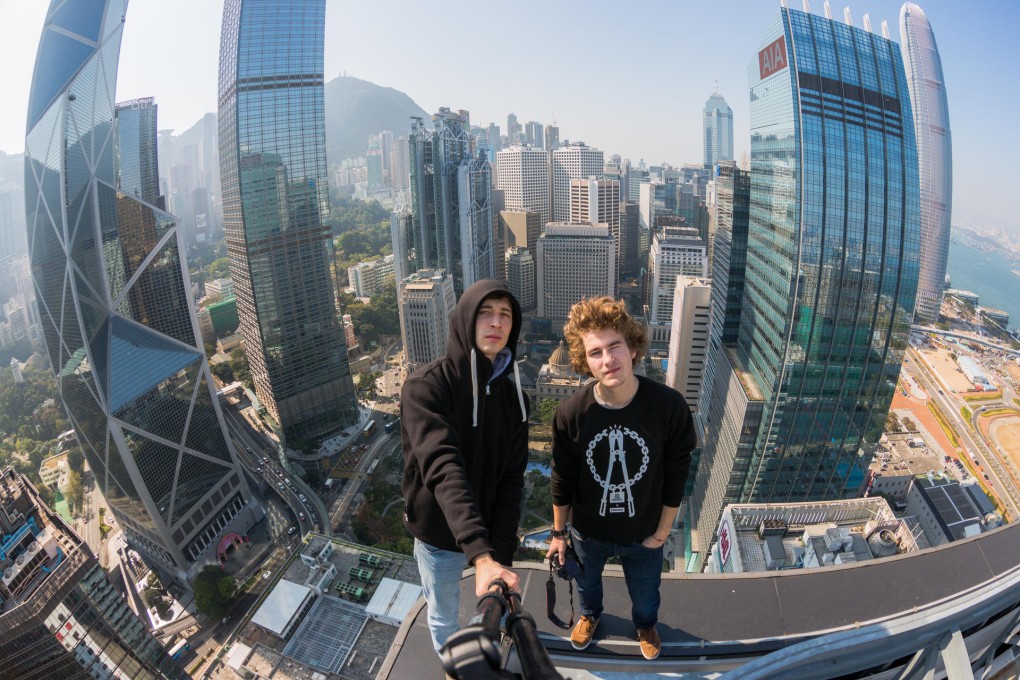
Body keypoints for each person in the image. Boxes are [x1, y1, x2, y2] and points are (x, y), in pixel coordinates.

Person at [546, 296, 695, 660]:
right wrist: (558, 533)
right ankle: (590, 617)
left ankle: (645, 625)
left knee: (646, 594)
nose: (608, 359)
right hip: (587, 534)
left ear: (632, 347)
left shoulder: (668, 406)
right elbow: (562, 477)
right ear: (585, 361)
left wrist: (661, 533)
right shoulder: (571, 413)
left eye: (615, 346)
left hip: (642, 535)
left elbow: (677, 474)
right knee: (587, 587)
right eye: (595, 352)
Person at [400, 279, 529, 654]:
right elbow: (443, 466)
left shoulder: (514, 397)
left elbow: (511, 480)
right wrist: (480, 554)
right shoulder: (426, 388)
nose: (496, 322)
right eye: (485, 313)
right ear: (465, 321)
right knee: (443, 615)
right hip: (438, 536)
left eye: (505, 315)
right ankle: (453, 669)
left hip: (487, 532)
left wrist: (498, 555)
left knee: (493, 605)